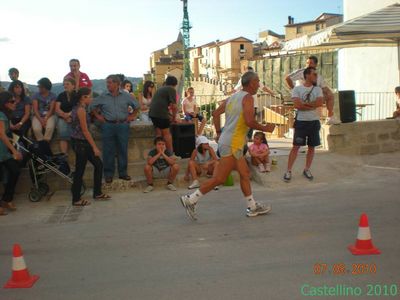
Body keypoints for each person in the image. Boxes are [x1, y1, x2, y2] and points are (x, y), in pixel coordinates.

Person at [179, 71, 275, 220]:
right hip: (233, 143)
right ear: (250, 83)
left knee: (244, 174)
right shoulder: (248, 98)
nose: (259, 84)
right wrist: (266, 128)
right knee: (219, 179)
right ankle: (190, 200)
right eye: (257, 81)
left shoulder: (232, 97)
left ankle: (252, 206)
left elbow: (216, 114)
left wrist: (218, 132)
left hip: (228, 141)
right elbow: (249, 121)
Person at [91, 74, 139, 183]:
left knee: (123, 149)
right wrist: (98, 116)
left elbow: (137, 106)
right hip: (108, 125)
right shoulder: (103, 96)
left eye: (110, 82)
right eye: (107, 83)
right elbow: (92, 106)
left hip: (122, 125)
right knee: (108, 150)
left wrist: (131, 116)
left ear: (117, 84)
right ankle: (108, 174)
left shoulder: (126, 96)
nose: (107, 85)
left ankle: (123, 173)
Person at [70, 87, 110, 206]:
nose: (92, 98)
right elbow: (85, 130)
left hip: (80, 141)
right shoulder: (81, 110)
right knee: (80, 171)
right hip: (81, 143)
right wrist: (95, 147)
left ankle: (97, 193)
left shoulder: (79, 108)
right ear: (84, 97)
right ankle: (76, 199)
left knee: (98, 165)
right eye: (90, 96)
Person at [283, 67, 323, 182]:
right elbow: (297, 105)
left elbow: (320, 103)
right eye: (314, 74)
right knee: (296, 146)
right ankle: (288, 170)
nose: (316, 76)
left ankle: (307, 169)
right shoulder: (297, 89)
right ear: (307, 75)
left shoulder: (318, 89)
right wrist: (312, 105)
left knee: (312, 147)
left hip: (314, 122)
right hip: (301, 122)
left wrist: (305, 104)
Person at [285, 55, 339, 125]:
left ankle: (330, 117)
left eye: (310, 63)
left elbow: (324, 88)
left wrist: (329, 93)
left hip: (313, 97)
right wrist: (294, 90)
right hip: (302, 97)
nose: (308, 65)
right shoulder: (302, 72)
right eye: (307, 63)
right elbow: (288, 78)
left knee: (329, 95)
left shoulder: (318, 76)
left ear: (315, 65)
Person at [0, 92, 23, 215]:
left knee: (15, 171)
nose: (15, 103)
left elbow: (6, 131)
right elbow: (2, 134)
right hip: (2, 151)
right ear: (5, 103)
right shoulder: (1, 115)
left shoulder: (5, 115)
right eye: (12, 101)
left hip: (3, 152)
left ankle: (6, 199)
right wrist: (14, 151)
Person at [149, 76, 178, 153]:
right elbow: (174, 106)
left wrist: (169, 115)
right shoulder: (171, 89)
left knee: (159, 133)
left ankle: (159, 153)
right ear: (175, 84)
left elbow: (160, 104)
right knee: (167, 135)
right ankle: (170, 154)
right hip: (161, 114)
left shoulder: (161, 89)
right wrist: (174, 117)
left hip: (153, 114)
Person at [55, 77, 77, 155]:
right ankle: (63, 155)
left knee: (75, 134)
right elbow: (57, 108)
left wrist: (69, 115)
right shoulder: (61, 95)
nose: (65, 86)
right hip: (62, 117)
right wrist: (64, 116)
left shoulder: (77, 95)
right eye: (64, 84)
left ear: (73, 85)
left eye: (67, 84)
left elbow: (78, 107)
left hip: (74, 117)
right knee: (62, 134)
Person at [32, 78, 57, 142]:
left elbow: (51, 109)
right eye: (39, 86)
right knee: (36, 129)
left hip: (49, 115)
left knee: (50, 128)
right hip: (38, 115)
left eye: (41, 87)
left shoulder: (53, 96)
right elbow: (35, 109)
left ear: (46, 87)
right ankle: (41, 142)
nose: (39, 88)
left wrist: (46, 118)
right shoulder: (36, 95)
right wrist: (41, 120)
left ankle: (46, 143)